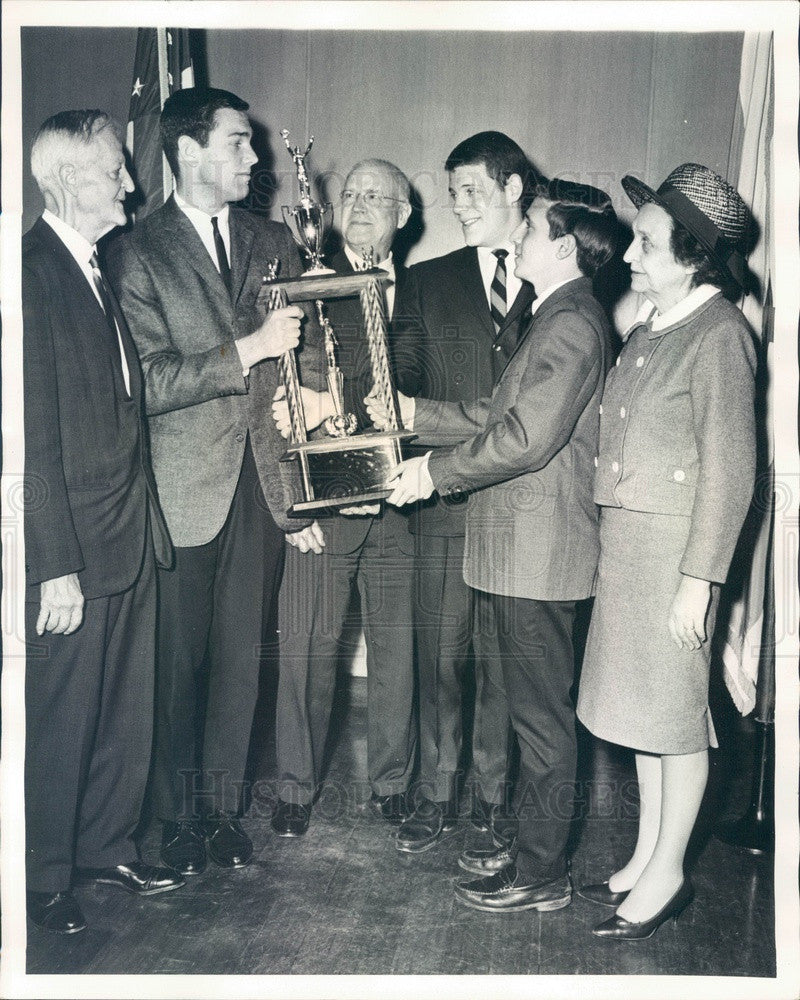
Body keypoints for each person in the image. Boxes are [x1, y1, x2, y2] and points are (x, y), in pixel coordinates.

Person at [374, 178, 617, 911]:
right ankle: (536, 856)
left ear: (564, 245)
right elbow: (491, 409)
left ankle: (542, 873)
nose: (518, 237)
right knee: (527, 715)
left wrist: (431, 476)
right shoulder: (553, 314)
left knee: (540, 724)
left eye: (533, 229)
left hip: (537, 559)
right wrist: (414, 413)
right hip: (517, 555)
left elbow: (523, 438)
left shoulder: (571, 321)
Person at [107, 88, 325, 878]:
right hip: (179, 490)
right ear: (188, 151)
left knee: (241, 660)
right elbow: (149, 381)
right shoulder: (134, 251)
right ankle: (171, 820)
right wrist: (248, 348)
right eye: (237, 144)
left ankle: (220, 811)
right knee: (176, 666)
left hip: (260, 487)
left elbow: (301, 365)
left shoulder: (274, 240)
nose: (253, 159)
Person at [576, 164, 756, 939]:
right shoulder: (657, 323)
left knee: (677, 721)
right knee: (642, 717)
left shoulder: (719, 334)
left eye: (646, 243)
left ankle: (671, 873)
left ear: (691, 255)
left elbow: (731, 471)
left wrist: (699, 580)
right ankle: (649, 852)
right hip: (631, 549)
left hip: (675, 558)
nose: (629, 255)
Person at [23, 110, 183, 935]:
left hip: (128, 532)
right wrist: (53, 563)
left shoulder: (97, 265)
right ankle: (44, 874)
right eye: (114, 170)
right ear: (61, 181)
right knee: (62, 711)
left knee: (121, 704)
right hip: (73, 549)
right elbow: (31, 438)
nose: (130, 183)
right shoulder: (30, 274)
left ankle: (104, 845)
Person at [389, 132, 537, 853]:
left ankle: (490, 797)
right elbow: (401, 387)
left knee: (507, 665)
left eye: (473, 189)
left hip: (523, 507)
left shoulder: (556, 280)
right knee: (440, 657)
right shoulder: (426, 280)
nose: (460, 205)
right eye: (453, 193)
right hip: (445, 504)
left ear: (514, 189)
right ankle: (436, 792)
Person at [270, 159, 422, 835]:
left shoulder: (428, 291)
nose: (358, 205)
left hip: (406, 505)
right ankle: (295, 790)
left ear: (404, 216)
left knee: (397, 649)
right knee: (306, 648)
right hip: (327, 508)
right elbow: (277, 396)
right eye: (351, 193)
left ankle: (394, 783)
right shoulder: (309, 281)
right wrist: (292, 504)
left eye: (375, 196)